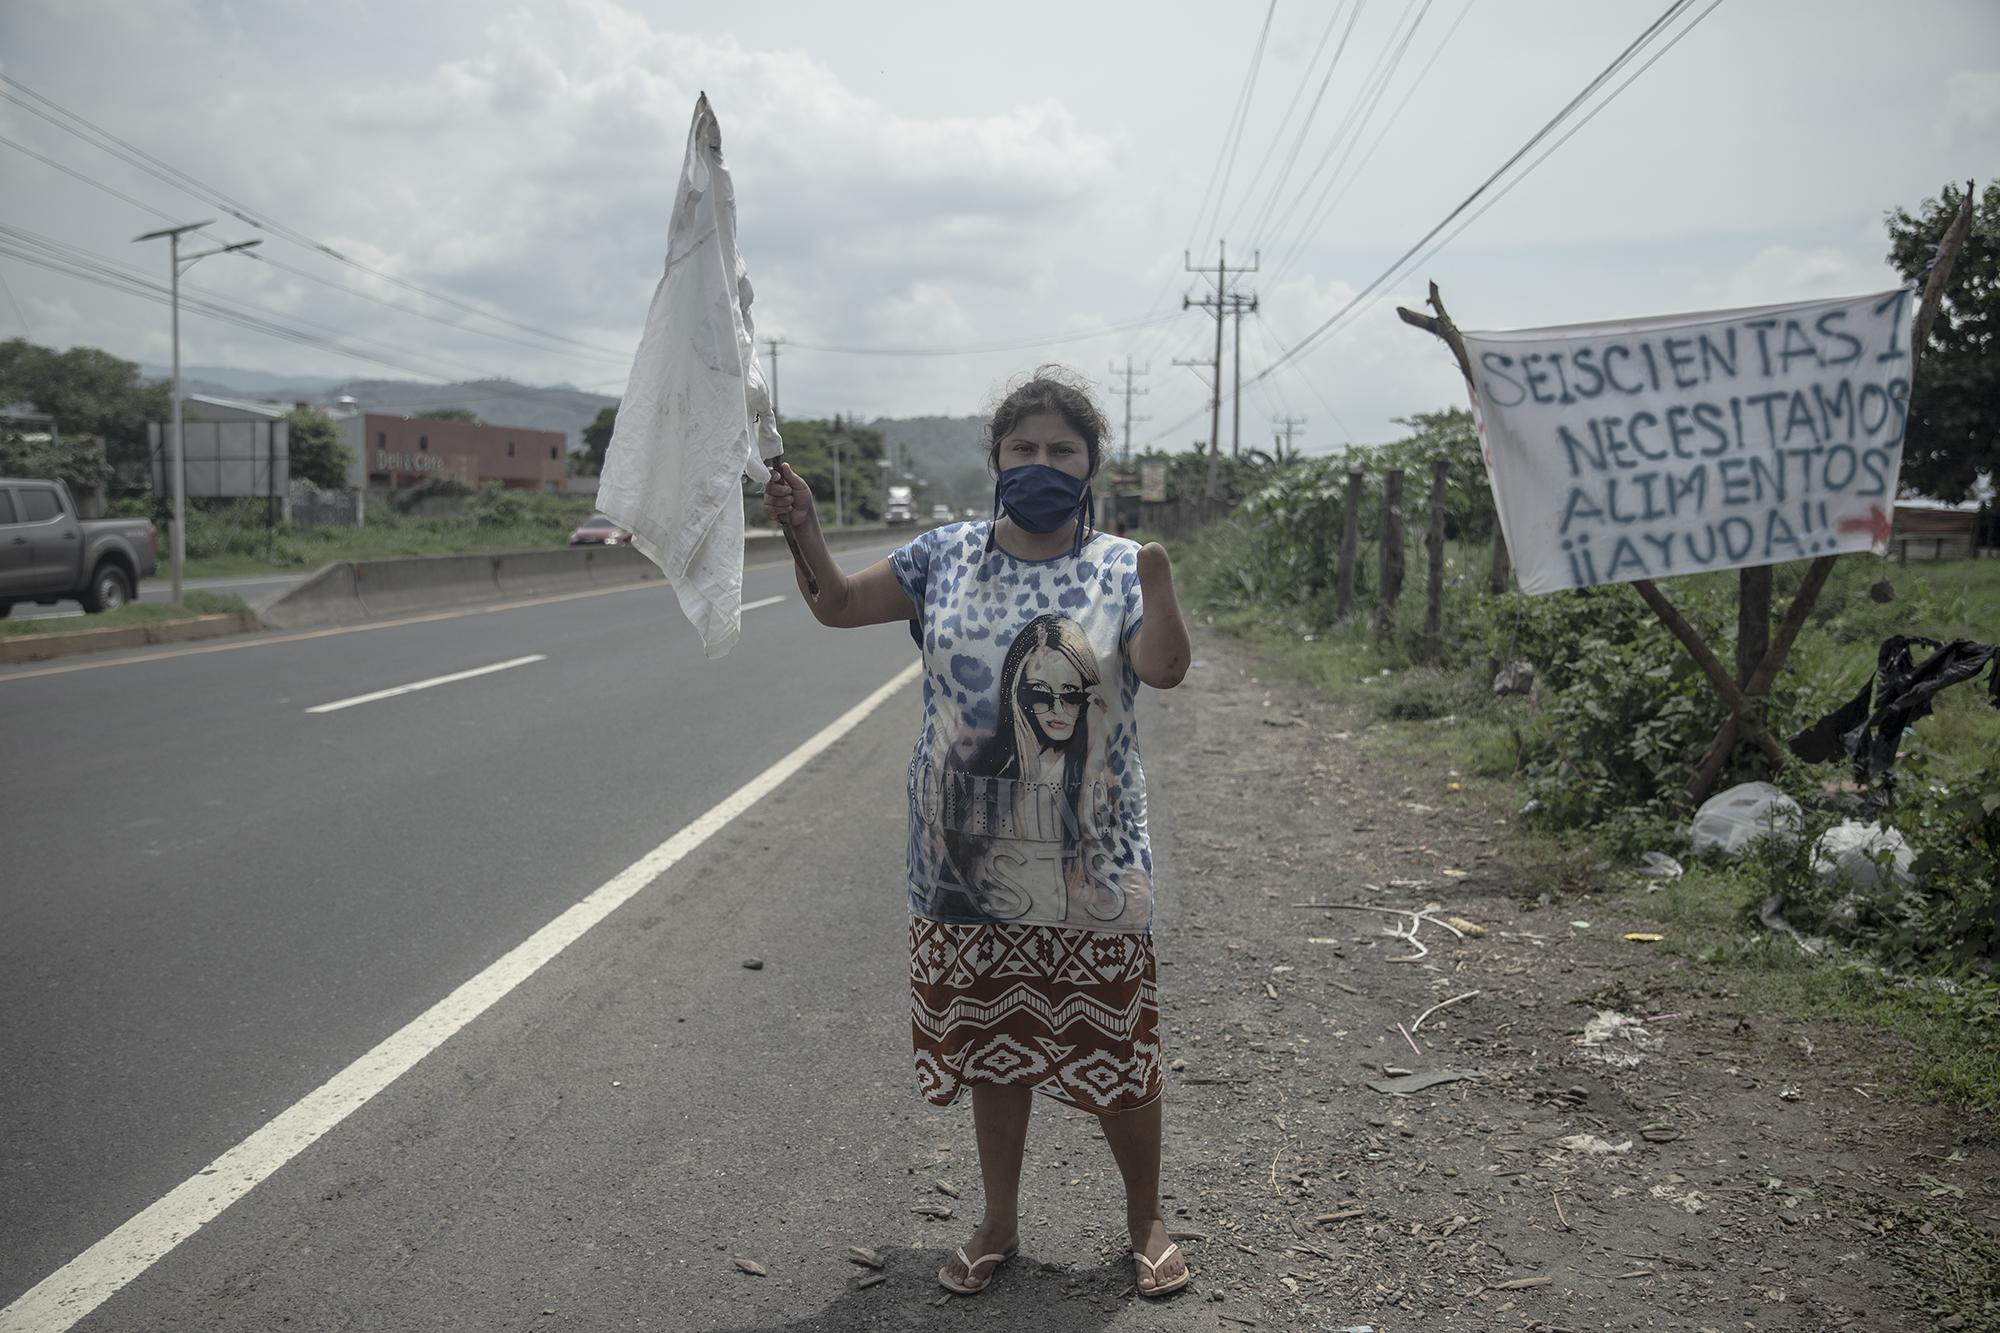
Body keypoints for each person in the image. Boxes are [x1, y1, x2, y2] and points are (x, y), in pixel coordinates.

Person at [761, 366, 1193, 1298]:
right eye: (1025, 447)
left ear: (1090, 466)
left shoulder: (1121, 564)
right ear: (996, 458)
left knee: (1118, 1041)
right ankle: (998, 1215)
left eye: (1062, 450)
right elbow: (835, 602)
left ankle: (1145, 1217)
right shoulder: (941, 557)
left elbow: (1163, 669)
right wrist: (803, 528)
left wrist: (1158, 588)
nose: (1042, 462)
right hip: (961, 862)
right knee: (996, 1041)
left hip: (1094, 864)